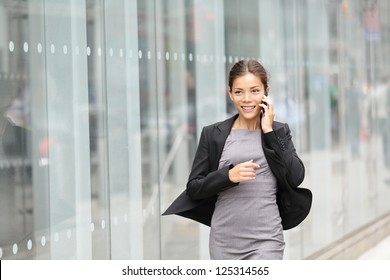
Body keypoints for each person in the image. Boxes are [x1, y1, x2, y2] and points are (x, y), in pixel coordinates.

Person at [163, 59, 311, 260]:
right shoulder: (213, 134)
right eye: (239, 92)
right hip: (224, 240)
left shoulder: (278, 131)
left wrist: (269, 131)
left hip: (267, 238)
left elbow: (296, 177)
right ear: (230, 93)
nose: (247, 99)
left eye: (254, 91)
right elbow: (194, 188)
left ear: (266, 91)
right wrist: (227, 176)